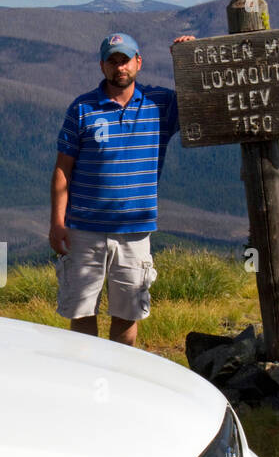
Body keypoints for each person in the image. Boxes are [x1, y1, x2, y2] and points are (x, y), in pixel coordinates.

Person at [49, 31, 193, 346]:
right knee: (81, 310)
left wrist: (189, 58)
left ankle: (118, 380)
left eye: (125, 60)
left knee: (128, 312)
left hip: (135, 230)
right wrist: (57, 222)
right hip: (84, 229)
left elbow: (200, 101)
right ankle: (88, 377)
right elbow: (63, 168)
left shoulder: (161, 104)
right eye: (113, 61)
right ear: (102, 66)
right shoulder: (82, 108)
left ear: (138, 62)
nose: (120, 68)